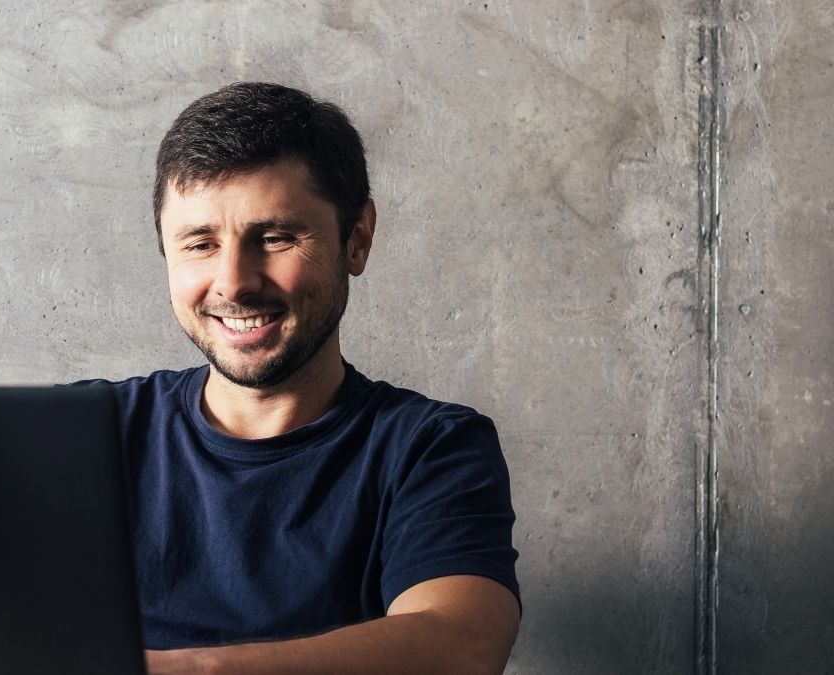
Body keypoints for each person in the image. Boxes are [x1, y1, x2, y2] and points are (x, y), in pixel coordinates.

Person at [92, 82, 521, 674]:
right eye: (200, 244)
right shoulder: (89, 433)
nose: (234, 282)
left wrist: (186, 670)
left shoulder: (430, 448)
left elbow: (462, 647)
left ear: (358, 239)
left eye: (275, 239)